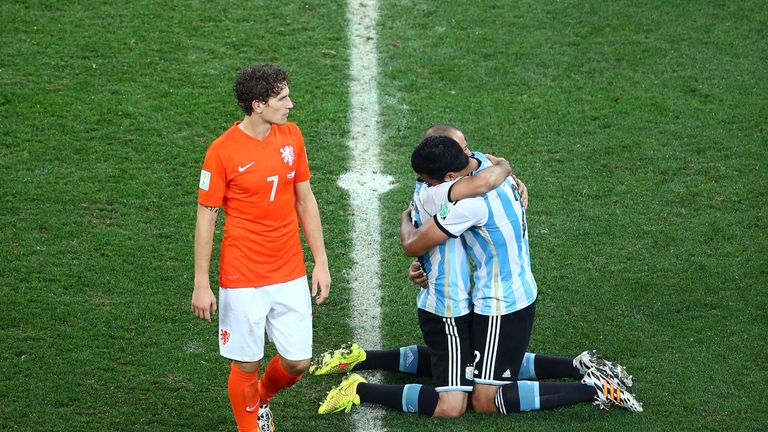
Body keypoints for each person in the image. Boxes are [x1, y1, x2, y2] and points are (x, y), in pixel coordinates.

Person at [317, 135, 641, 416]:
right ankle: (577, 366)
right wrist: (507, 167)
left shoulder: (465, 203)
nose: (425, 186)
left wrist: (407, 221)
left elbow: (416, 241)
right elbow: (489, 176)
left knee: (484, 399)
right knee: (480, 362)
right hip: (518, 290)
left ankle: (593, 389)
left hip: (499, 304)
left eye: (429, 181)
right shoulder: (487, 163)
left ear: (448, 176)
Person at [192, 64, 331, 432]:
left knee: (298, 361)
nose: (290, 104)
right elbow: (207, 217)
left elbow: (305, 199)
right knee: (246, 364)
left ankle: (261, 399)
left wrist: (320, 261)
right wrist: (201, 283)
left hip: (288, 270)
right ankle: (250, 423)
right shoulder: (221, 152)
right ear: (257, 105)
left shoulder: (292, 136)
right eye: (282, 98)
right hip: (243, 275)